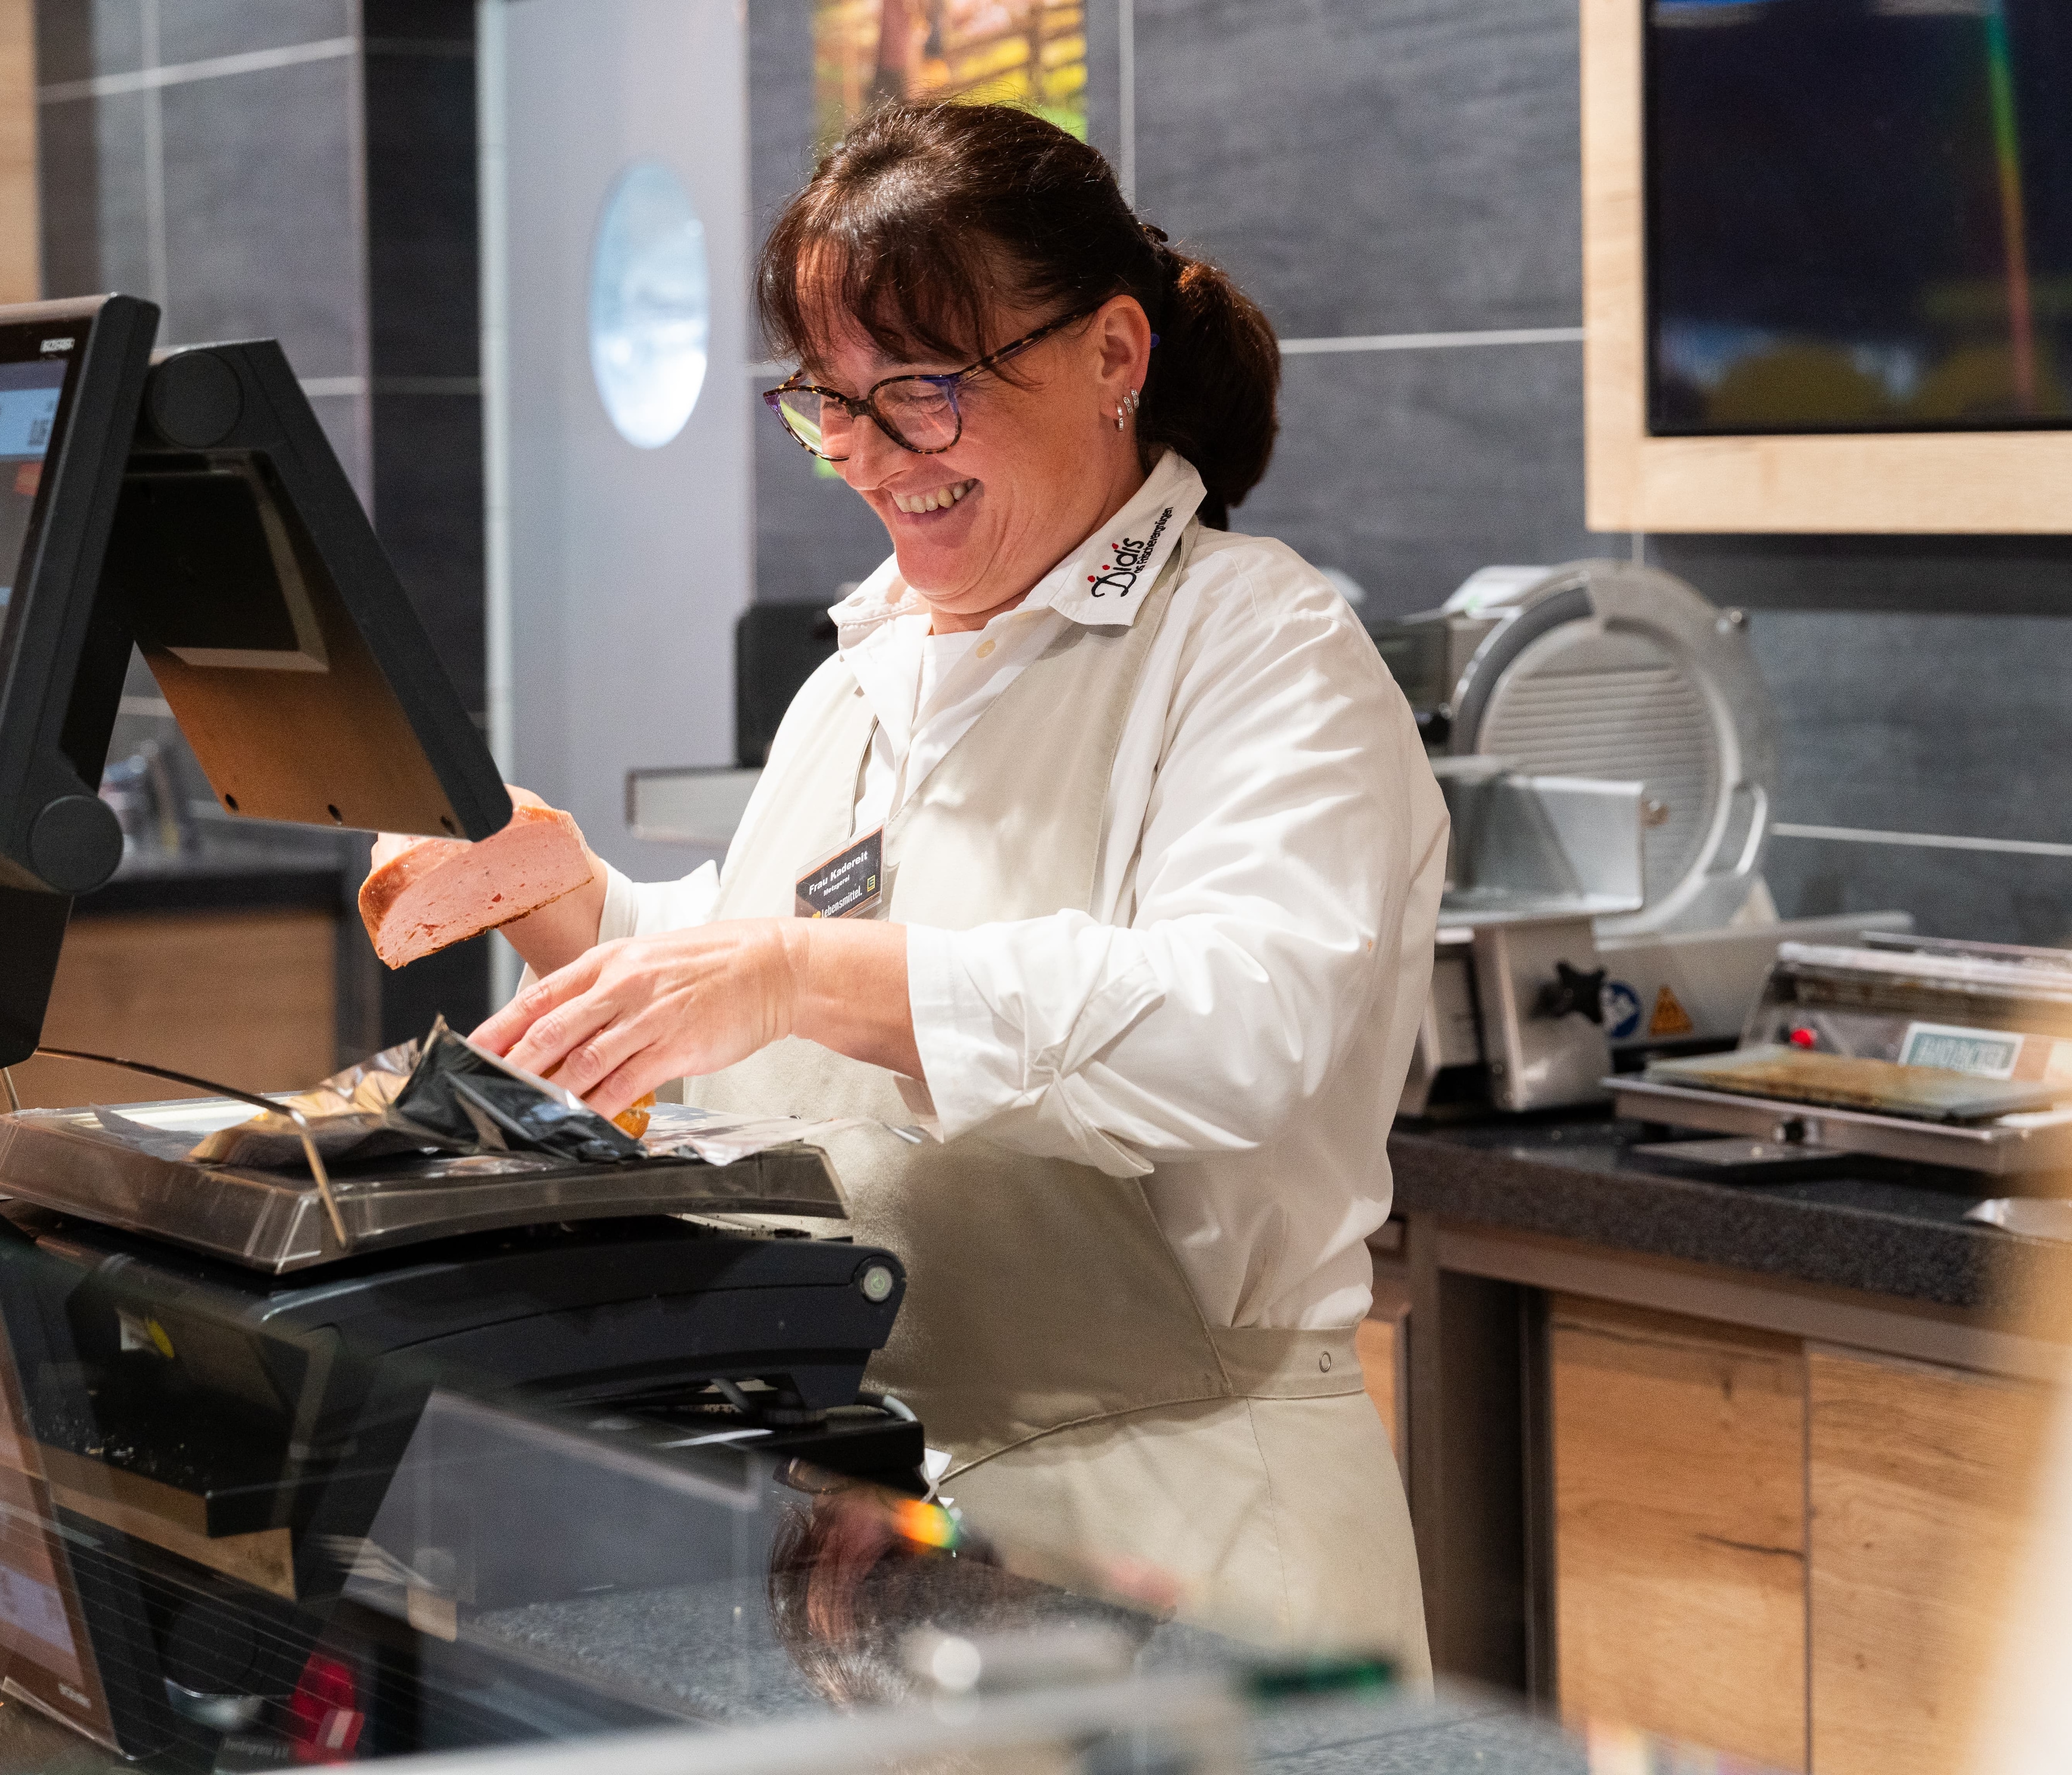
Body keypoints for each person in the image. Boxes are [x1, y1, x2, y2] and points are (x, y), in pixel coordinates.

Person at [456, 102, 1445, 1672]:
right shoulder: (871, 669)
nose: (864, 454)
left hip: (1192, 1524)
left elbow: (1245, 1030)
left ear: (1114, 355)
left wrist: (797, 975)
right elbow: (761, 999)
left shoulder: (1262, 643)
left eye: (920, 390)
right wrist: (569, 902)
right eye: (827, 404)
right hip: (895, 1540)